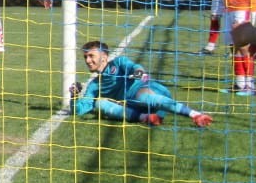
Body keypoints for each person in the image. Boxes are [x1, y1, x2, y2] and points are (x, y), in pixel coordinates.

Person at [70, 41, 213, 127]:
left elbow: (135, 67)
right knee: (99, 104)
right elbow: (80, 110)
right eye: (85, 57)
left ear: (104, 57)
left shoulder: (118, 63)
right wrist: (74, 96)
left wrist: (139, 75)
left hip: (148, 91)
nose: (88, 60)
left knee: (143, 97)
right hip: (138, 109)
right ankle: (146, 118)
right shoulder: (95, 85)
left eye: (91, 56)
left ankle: (195, 115)